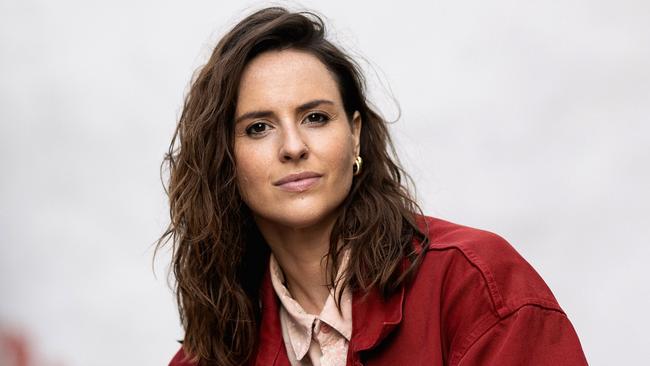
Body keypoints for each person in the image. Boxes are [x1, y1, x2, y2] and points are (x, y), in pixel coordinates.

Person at [159, 7, 588, 366]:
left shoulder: (474, 284)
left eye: (316, 118)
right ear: (224, 159)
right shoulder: (212, 354)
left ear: (355, 134)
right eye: (258, 128)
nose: (293, 146)